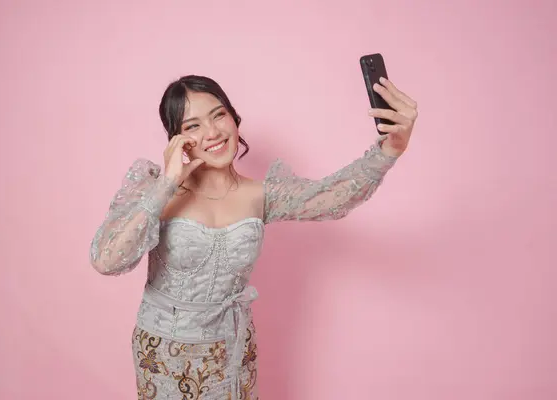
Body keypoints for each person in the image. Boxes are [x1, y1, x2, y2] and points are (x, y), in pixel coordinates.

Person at [89, 74, 417, 400]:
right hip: (164, 354)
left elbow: (332, 197)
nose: (213, 132)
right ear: (176, 139)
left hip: (233, 352)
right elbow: (107, 259)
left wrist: (390, 149)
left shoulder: (260, 194)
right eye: (193, 126)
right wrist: (167, 183)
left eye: (219, 115)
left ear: (234, 119)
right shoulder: (156, 192)